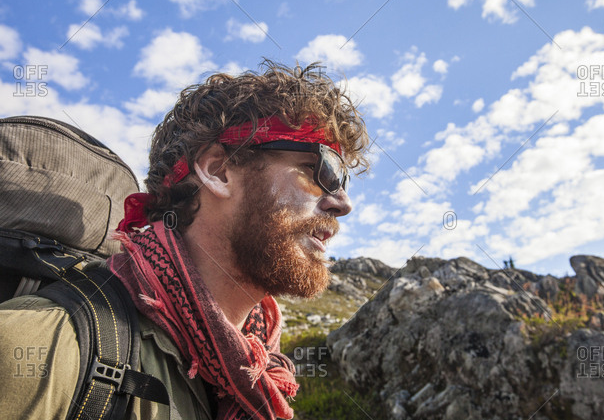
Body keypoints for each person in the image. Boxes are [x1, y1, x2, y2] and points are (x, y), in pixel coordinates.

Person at [0, 60, 370, 420]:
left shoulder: (258, 373)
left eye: (342, 180)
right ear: (218, 171)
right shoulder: (44, 347)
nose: (342, 203)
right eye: (320, 169)